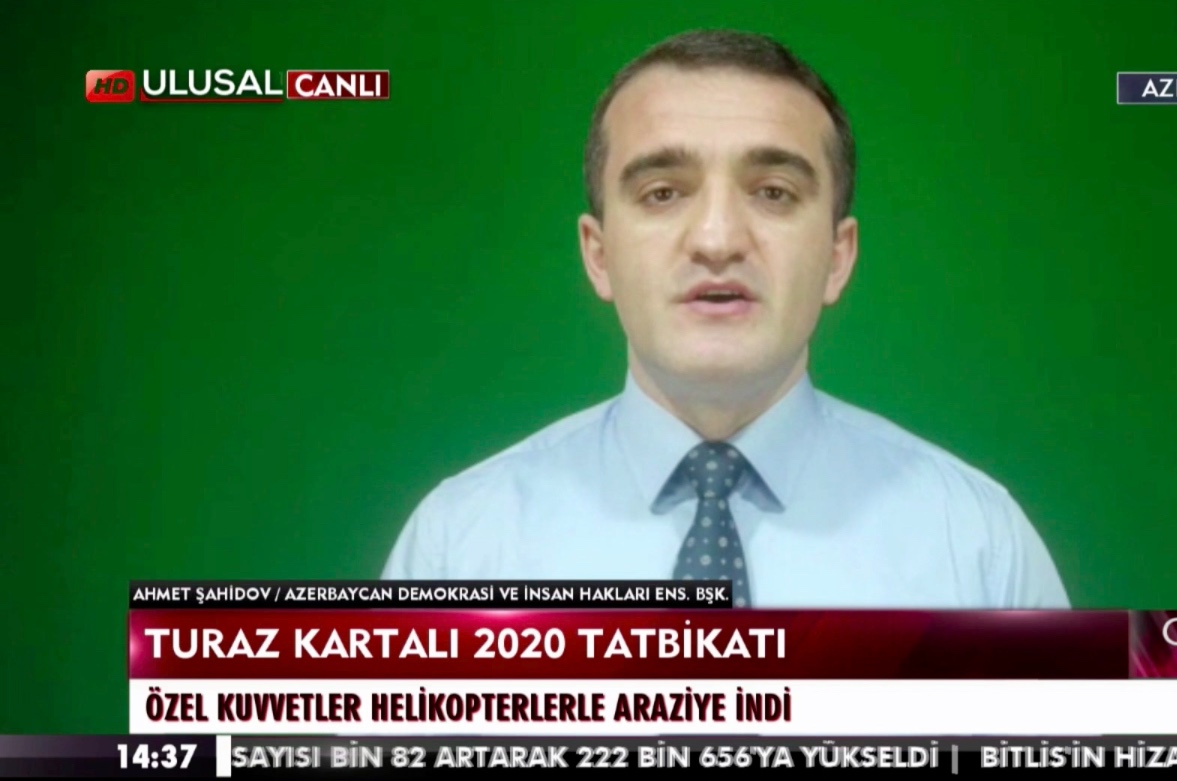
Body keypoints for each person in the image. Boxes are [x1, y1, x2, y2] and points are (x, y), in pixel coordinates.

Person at [382, 29, 1069, 608]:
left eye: (773, 192)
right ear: (599, 254)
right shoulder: (457, 549)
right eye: (662, 192)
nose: (716, 239)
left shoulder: (979, 549)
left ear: (837, 256)